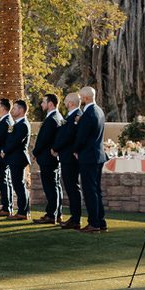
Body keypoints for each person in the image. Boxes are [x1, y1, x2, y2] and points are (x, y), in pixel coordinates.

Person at [69, 86, 108, 233]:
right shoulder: (99, 111)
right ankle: (101, 221)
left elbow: (82, 137)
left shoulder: (89, 113)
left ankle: (94, 223)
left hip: (88, 157)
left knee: (90, 191)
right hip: (98, 155)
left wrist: (75, 150)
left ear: (85, 98)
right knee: (96, 190)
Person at [32, 93, 64, 226]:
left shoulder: (52, 119)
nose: (41, 104)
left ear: (50, 104)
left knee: (51, 187)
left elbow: (44, 139)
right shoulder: (58, 117)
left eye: (43, 102)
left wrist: (35, 152)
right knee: (56, 186)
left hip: (48, 158)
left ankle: (51, 215)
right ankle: (58, 213)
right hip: (53, 158)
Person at [55, 98, 84, 230]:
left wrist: (55, 148)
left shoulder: (76, 116)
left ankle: (76, 219)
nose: (65, 103)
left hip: (70, 157)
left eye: (66, 100)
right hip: (66, 156)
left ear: (71, 103)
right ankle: (74, 217)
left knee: (73, 188)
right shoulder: (70, 116)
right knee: (70, 187)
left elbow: (69, 135)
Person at [1, 98, 32, 219]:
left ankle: (22, 212)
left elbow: (15, 141)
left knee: (19, 185)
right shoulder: (17, 124)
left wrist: (5, 151)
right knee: (18, 184)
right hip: (14, 158)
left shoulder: (23, 124)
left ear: (21, 110)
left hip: (18, 158)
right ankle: (23, 210)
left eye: (14, 108)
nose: (12, 110)